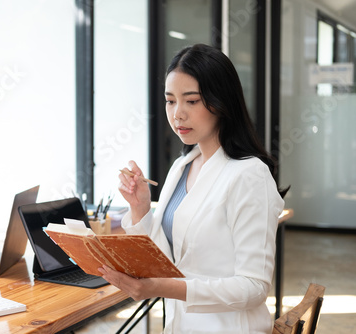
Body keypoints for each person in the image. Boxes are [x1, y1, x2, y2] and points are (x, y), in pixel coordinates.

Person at [98, 44, 287, 333]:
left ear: (221, 102)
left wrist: (165, 288)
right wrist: (140, 208)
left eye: (192, 101)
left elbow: (254, 287)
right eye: (170, 101)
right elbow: (167, 261)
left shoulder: (249, 175)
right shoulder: (183, 165)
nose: (178, 114)